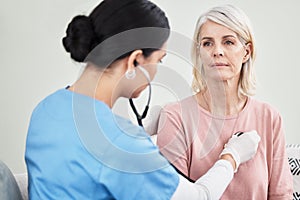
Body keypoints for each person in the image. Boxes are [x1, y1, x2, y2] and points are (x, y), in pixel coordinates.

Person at [25, 1, 260, 199]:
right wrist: (233, 156)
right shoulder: (121, 143)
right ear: (135, 60)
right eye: (159, 60)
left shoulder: (46, 108)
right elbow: (200, 197)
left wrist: (141, 135)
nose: (157, 70)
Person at [156, 4, 293, 200]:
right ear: (200, 53)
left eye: (228, 42)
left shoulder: (269, 117)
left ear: (246, 52)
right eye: (207, 43)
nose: (217, 51)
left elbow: (281, 195)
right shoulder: (175, 117)